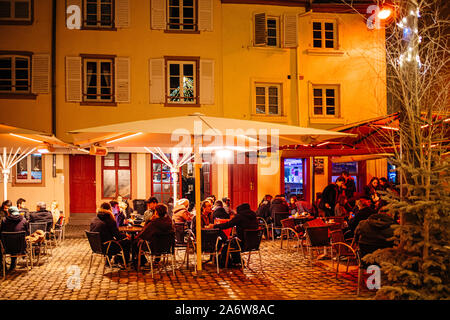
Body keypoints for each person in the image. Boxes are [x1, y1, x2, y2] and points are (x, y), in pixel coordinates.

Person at [212, 203, 259, 267]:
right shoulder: (254, 217)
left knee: (228, 244)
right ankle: (237, 261)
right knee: (233, 241)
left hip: (242, 243)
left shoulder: (240, 217)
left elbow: (228, 225)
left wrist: (215, 226)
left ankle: (224, 263)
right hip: (254, 243)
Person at [0, 206, 29, 272]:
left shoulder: (4, 220)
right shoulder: (23, 220)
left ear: (9, 213)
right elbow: (27, 233)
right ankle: (12, 265)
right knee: (15, 242)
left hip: (7, 247)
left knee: (10, 242)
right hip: (21, 247)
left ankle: (3, 267)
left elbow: (1, 232)